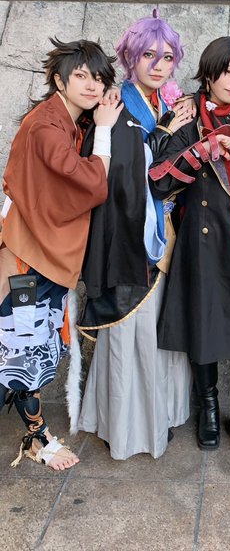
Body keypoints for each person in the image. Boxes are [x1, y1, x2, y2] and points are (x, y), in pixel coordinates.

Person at [149, 36, 230, 463]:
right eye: (228, 72)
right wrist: (204, 150)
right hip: (205, 246)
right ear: (208, 73)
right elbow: (159, 180)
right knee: (205, 331)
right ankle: (208, 409)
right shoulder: (186, 119)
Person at [0, 38, 121, 470]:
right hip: (28, 260)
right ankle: (37, 439)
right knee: (23, 347)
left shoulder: (61, 120)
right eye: (81, 76)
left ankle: (36, 435)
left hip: (35, 253)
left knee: (25, 346)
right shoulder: (48, 127)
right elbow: (90, 184)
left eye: (99, 78)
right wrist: (104, 128)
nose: (91, 86)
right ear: (58, 80)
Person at [78, 12, 193, 460]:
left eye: (167, 57)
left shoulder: (166, 101)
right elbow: (121, 176)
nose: (159, 66)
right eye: (149, 55)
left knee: (159, 329)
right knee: (132, 331)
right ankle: (128, 430)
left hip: (165, 235)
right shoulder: (117, 106)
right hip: (129, 236)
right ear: (130, 57)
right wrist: (164, 135)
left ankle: (159, 415)